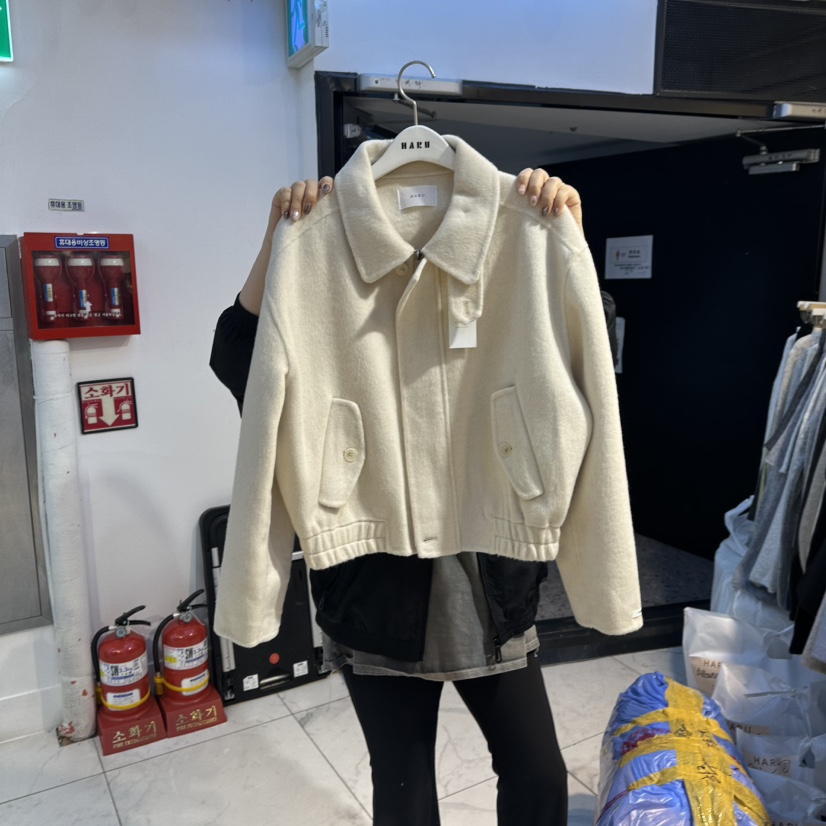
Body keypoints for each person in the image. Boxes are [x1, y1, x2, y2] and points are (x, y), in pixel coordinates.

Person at [211, 167, 586, 825]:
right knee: (404, 784)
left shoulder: (509, 232)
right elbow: (237, 357)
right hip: (371, 582)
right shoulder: (327, 249)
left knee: (537, 770)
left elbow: (576, 365)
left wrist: (565, 236)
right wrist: (281, 239)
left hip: (490, 574)